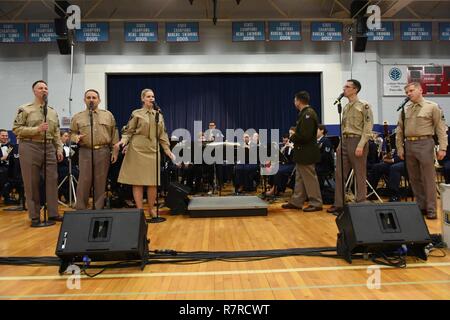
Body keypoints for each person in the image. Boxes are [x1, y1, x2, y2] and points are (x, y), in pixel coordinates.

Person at [115, 89, 175, 218]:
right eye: (148, 96)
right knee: (138, 181)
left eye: (152, 96)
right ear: (143, 99)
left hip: (153, 150)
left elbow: (162, 134)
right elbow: (129, 131)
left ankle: (152, 209)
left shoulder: (158, 114)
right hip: (137, 149)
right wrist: (123, 141)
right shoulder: (136, 113)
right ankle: (140, 210)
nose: (151, 98)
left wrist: (167, 150)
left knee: (152, 182)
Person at [12, 80, 64, 226]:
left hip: (49, 147)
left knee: (52, 180)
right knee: (31, 182)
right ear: (34, 91)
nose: (44, 90)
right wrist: (36, 129)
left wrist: (59, 148)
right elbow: (16, 129)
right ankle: (34, 216)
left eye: (46, 88)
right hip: (30, 146)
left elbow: (56, 133)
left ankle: (53, 213)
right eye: (40, 88)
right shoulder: (25, 109)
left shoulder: (52, 111)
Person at [395, 82, 447, 219]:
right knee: (414, 179)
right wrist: (400, 147)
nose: (408, 94)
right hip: (409, 145)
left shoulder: (432, 107)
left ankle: (431, 209)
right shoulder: (405, 109)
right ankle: (420, 206)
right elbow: (399, 130)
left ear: (420, 90)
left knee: (428, 178)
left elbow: (440, 128)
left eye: (411, 91)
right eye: (407, 92)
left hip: (425, 143)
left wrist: (442, 147)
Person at [327, 79, 374, 215]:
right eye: (344, 86)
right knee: (339, 173)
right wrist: (341, 145)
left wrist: (361, 144)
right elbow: (344, 128)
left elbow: (368, 127)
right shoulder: (346, 107)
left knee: (359, 173)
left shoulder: (364, 106)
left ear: (355, 89)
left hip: (358, 141)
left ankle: (361, 203)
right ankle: (339, 204)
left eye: (347, 87)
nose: (344, 89)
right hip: (345, 142)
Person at [70, 89, 119, 210]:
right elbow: (71, 133)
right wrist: (76, 137)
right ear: (84, 100)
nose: (91, 100)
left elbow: (114, 134)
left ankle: (98, 207)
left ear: (99, 100)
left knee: (100, 180)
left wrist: (115, 151)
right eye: (88, 97)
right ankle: (81, 207)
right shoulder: (78, 117)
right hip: (85, 151)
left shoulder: (108, 115)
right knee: (84, 180)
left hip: (103, 151)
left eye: (94, 97)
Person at [282, 91, 323, 212]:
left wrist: (293, 136)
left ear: (299, 101)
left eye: (295, 100)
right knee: (300, 178)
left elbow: (305, 135)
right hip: (302, 152)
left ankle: (316, 202)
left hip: (307, 152)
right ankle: (297, 201)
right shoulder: (304, 114)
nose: (294, 102)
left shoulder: (308, 114)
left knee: (310, 178)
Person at [315, 124, 335, 189]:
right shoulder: (315, 141)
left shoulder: (326, 141)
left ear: (322, 131)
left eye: (316, 130)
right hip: (317, 164)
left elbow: (326, 156)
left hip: (323, 166)